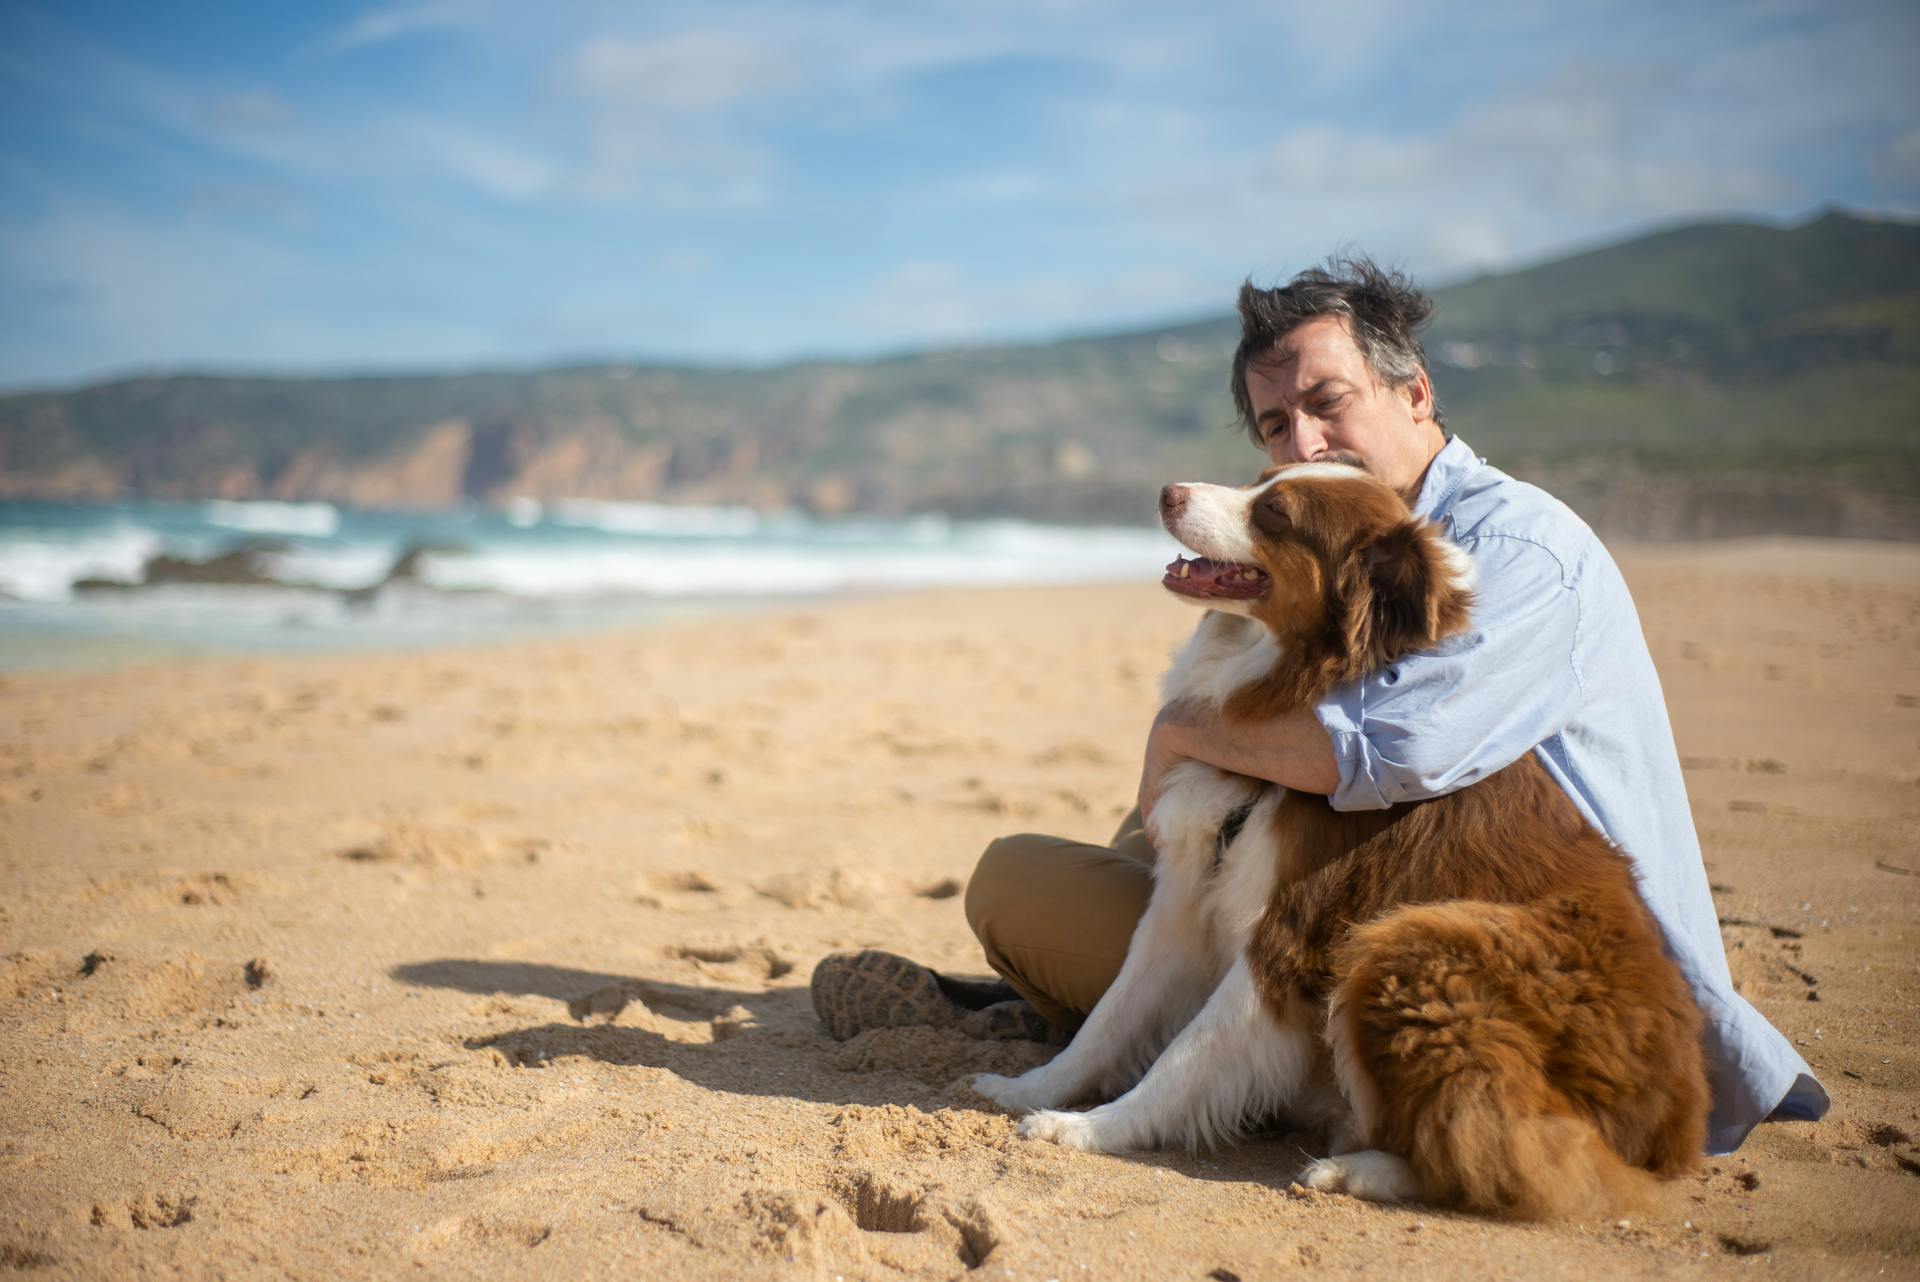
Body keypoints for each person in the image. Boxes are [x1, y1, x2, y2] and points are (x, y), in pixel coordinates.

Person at [810, 256, 1828, 1156]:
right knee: (1131, 840)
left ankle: (1064, 1022)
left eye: (1328, 402)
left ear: (1415, 392)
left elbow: (1397, 745)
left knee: (1037, 885)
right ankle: (1080, 1019)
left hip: (1518, 989)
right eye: (1274, 425)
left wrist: (1184, 731)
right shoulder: (1356, 530)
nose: (1303, 438)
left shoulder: (1512, 549)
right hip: (1360, 888)